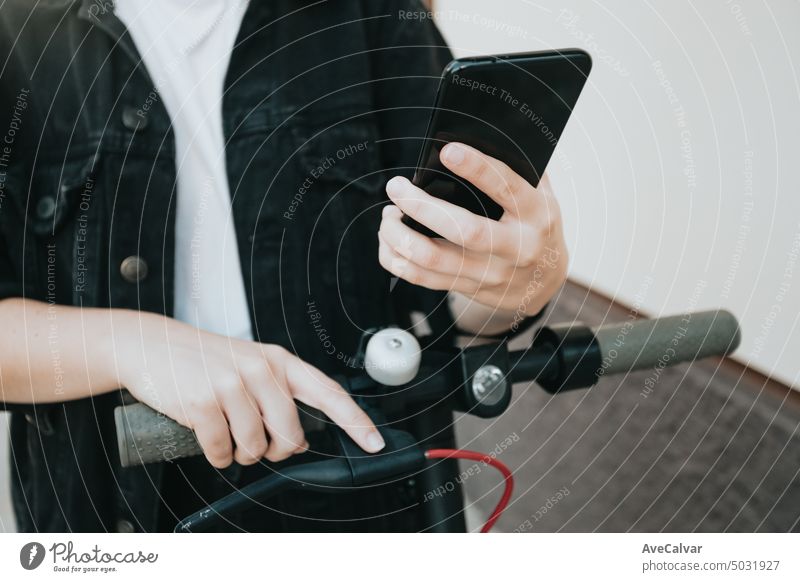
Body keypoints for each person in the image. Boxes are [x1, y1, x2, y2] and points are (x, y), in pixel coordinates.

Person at [0, 0, 568, 532]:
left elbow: (453, 295)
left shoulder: (368, 13)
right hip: (106, 503)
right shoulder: (15, 30)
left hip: (362, 483)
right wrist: (131, 345)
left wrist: (510, 284)